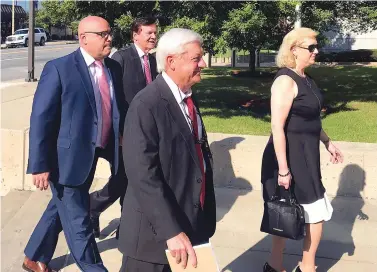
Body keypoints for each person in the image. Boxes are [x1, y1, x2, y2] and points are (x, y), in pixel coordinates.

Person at [22, 16, 127, 272]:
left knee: (60, 208)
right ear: (84, 38)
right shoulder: (59, 68)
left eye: (109, 32)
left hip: (98, 150)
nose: (109, 38)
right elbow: (41, 119)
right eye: (103, 34)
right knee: (79, 224)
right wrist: (40, 164)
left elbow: (116, 108)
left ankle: (33, 257)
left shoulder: (113, 68)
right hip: (65, 160)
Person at [118, 28, 216, 272]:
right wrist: (171, 231)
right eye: (196, 58)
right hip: (154, 241)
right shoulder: (146, 104)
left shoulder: (189, 100)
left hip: (191, 227)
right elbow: (142, 175)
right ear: (172, 61)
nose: (203, 64)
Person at [261, 27, 344, 272]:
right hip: (287, 156)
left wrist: (327, 142)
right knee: (284, 210)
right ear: (294, 50)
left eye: (316, 47)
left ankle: (305, 266)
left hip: (307, 154)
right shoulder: (285, 81)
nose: (316, 51)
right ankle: (282, 266)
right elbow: (277, 126)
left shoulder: (306, 79)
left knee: (307, 210)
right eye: (311, 47)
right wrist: (284, 169)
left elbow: (310, 119)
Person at [89, 17, 158, 237]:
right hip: (124, 133)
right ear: (135, 34)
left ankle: (126, 225)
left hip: (148, 132)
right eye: (149, 33)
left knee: (136, 179)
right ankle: (94, 207)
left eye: (155, 33)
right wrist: (119, 132)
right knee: (124, 178)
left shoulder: (154, 61)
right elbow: (112, 97)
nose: (153, 37)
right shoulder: (121, 59)